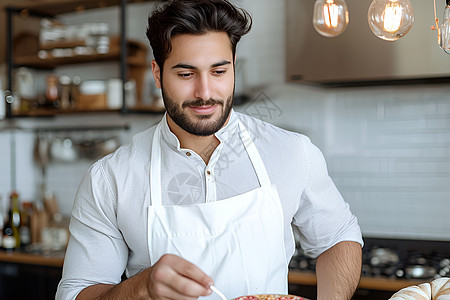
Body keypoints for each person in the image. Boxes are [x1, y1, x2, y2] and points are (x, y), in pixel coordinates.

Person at [56, 0, 363, 299]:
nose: (205, 93)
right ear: (158, 73)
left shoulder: (292, 152)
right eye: (186, 74)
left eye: (219, 72)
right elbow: (75, 292)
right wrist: (140, 289)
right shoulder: (109, 179)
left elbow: (338, 237)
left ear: (233, 69)